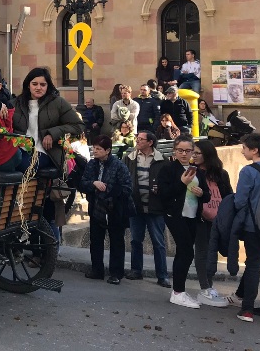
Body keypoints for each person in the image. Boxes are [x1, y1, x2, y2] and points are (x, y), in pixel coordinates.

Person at [158, 134, 211, 308]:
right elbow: (163, 194)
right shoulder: (168, 168)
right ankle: (178, 292)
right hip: (175, 215)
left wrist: (201, 194)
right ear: (174, 150)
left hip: (192, 215)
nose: (184, 154)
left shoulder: (197, 171)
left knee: (185, 251)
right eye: (180, 150)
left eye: (188, 151)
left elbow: (207, 195)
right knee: (187, 252)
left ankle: (179, 291)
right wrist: (182, 183)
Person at [79, 134, 133, 284]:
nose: (95, 151)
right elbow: (82, 183)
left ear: (108, 150)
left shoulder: (119, 165)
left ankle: (116, 273)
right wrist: (93, 184)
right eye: (94, 148)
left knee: (116, 241)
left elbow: (127, 188)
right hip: (96, 206)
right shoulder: (92, 164)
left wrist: (108, 190)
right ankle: (97, 270)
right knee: (95, 240)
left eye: (98, 149)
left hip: (115, 209)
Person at [13, 67, 84, 174]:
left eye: (43, 84)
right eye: (34, 84)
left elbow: (78, 126)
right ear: (28, 85)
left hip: (46, 152)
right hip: (20, 150)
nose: (38, 88)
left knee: (23, 166)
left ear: (48, 86)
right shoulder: (16, 103)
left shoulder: (58, 103)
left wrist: (52, 134)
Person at [123, 131, 170, 287]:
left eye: (141, 139)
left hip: (155, 208)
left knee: (158, 242)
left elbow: (167, 183)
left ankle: (162, 275)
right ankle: (136, 270)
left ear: (150, 142)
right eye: (137, 138)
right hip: (135, 206)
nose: (137, 141)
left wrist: (160, 190)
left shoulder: (161, 159)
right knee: (136, 240)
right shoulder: (129, 158)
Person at [190, 139, 233, 307]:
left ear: (207, 155)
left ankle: (210, 284)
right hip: (199, 217)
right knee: (201, 250)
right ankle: (205, 287)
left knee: (212, 251)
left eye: (197, 153)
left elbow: (228, 195)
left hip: (218, 218)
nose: (194, 155)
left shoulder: (221, 174)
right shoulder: (193, 171)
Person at [229, 133, 260, 322]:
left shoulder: (248, 171)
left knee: (253, 265)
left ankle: (248, 310)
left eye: (244, 148)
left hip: (254, 226)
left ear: (254, 150)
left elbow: (240, 200)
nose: (242, 151)